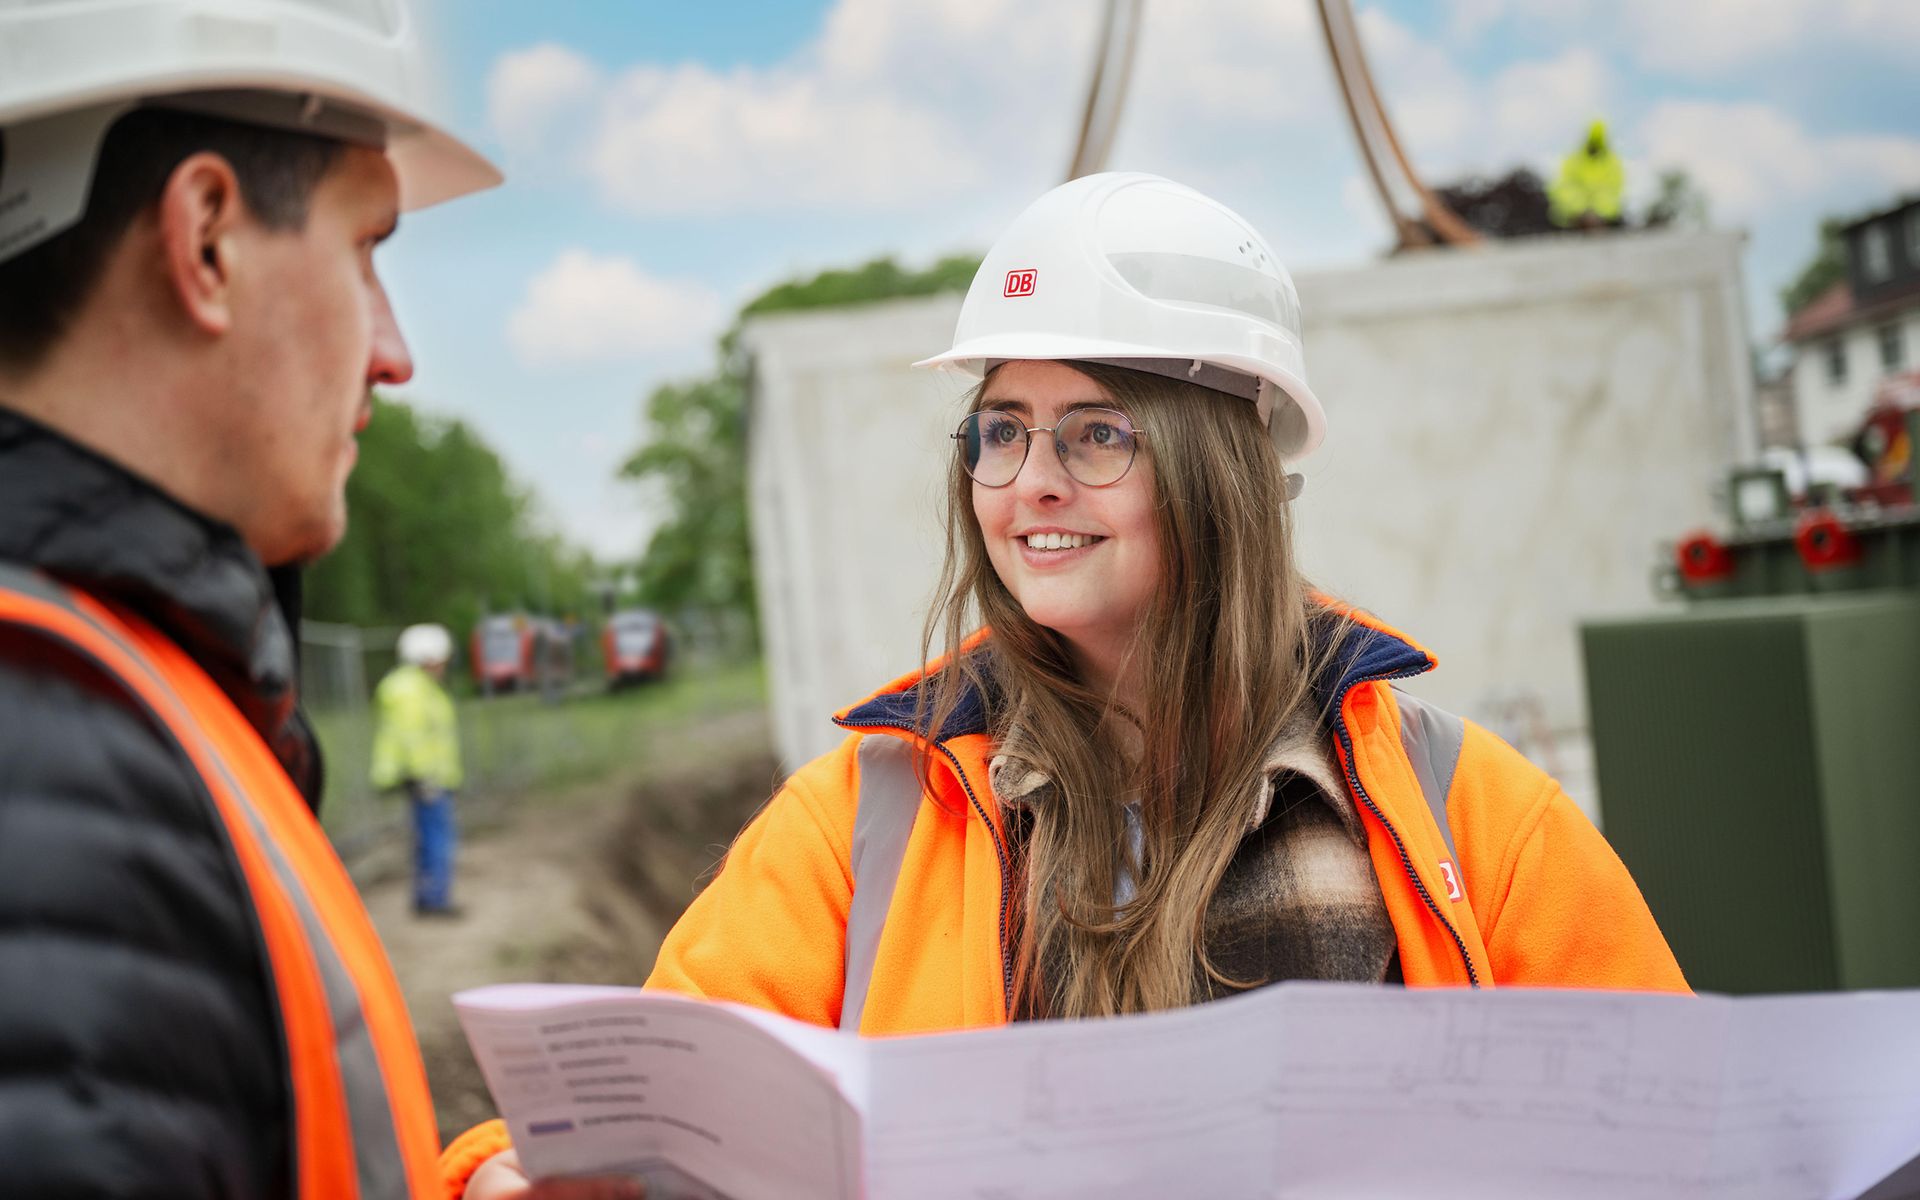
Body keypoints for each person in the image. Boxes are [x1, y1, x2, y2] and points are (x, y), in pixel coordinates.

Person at [449, 172, 1686, 1196]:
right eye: (1002, 427)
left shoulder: (1458, 809)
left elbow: (1674, 1136)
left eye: (1096, 430)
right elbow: (638, 1111)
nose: (1031, 481)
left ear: (1226, 471)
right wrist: (508, 1178)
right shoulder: (863, 820)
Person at [0, 4, 640, 1198]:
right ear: (205, 241)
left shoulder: (121, 692)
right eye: (366, 248)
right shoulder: (49, 759)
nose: (394, 352)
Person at [374, 622, 467, 917]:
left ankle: (427, 896)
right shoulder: (411, 690)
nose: (443, 666)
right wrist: (424, 776)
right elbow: (412, 737)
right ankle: (434, 899)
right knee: (437, 837)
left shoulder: (415, 687)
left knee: (429, 836)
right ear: (427, 657)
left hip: (430, 776)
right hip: (428, 778)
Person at [1549, 118, 1625, 229]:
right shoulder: (1572, 161)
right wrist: (1582, 212)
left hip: (1604, 219)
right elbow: (1563, 188)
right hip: (1574, 219)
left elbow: (1614, 192)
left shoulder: (1614, 164)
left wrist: (1599, 213)